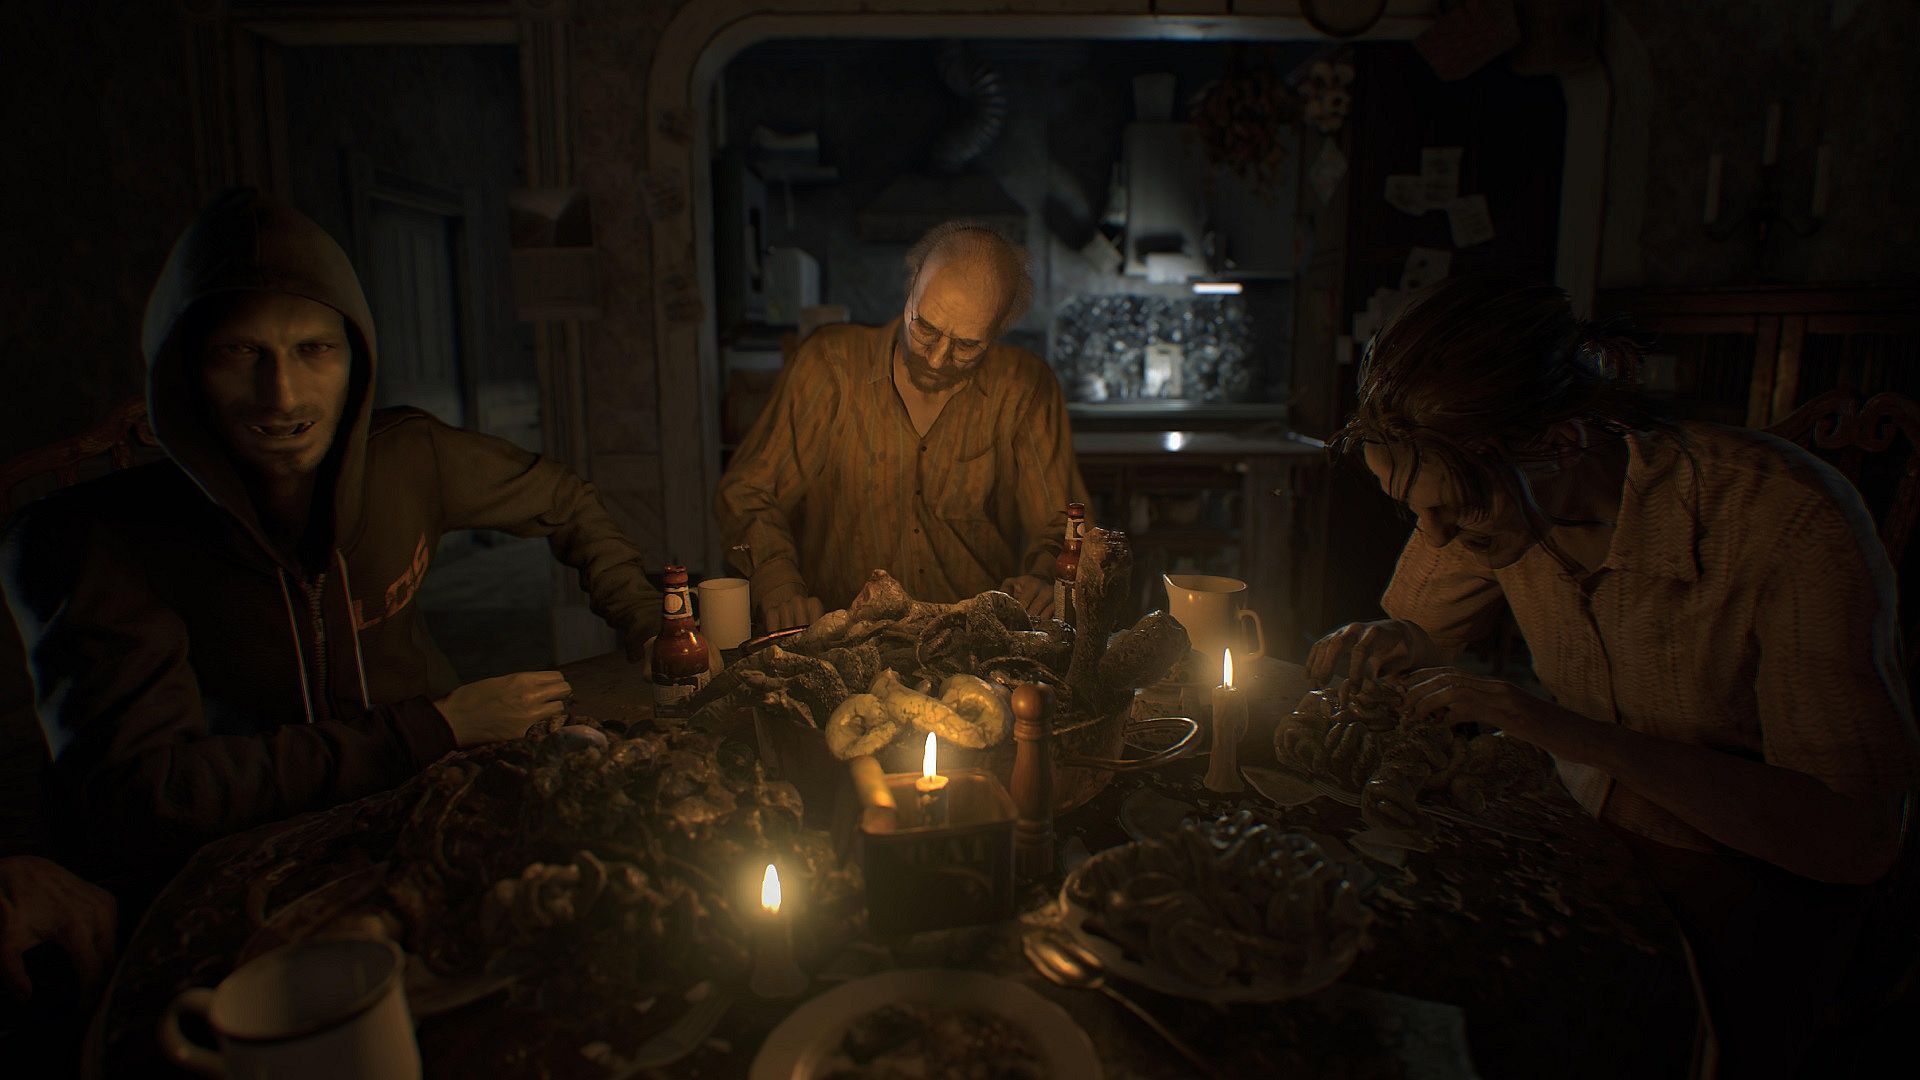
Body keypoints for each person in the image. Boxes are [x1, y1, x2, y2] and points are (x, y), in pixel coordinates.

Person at [1304, 275, 1920, 1076]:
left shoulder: (1786, 520)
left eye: (1453, 509)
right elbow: (1423, 626)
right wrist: (1391, 639)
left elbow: (1854, 838)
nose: (1437, 535)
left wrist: (1562, 729)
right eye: (1411, 507)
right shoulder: (1494, 491)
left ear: (1563, 443)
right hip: (1594, 838)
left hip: (1752, 882)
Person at [0, 190, 662, 896]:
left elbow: (565, 500)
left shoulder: (410, 456)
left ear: (356, 360)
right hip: (247, 862)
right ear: (183, 368)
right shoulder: (91, 543)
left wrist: (647, 619)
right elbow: (143, 798)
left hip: (438, 797)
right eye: (239, 352)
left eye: (313, 349)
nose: (283, 395)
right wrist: (433, 727)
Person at [715, 221, 1087, 630]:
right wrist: (777, 582)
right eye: (925, 328)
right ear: (911, 286)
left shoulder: (1024, 388)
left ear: (998, 331)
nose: (937, 359)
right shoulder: (830, 368)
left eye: (967, 345)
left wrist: (1044, 577)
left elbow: (1063, 523)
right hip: (844, 640)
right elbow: (748, 493)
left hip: (973, 644)